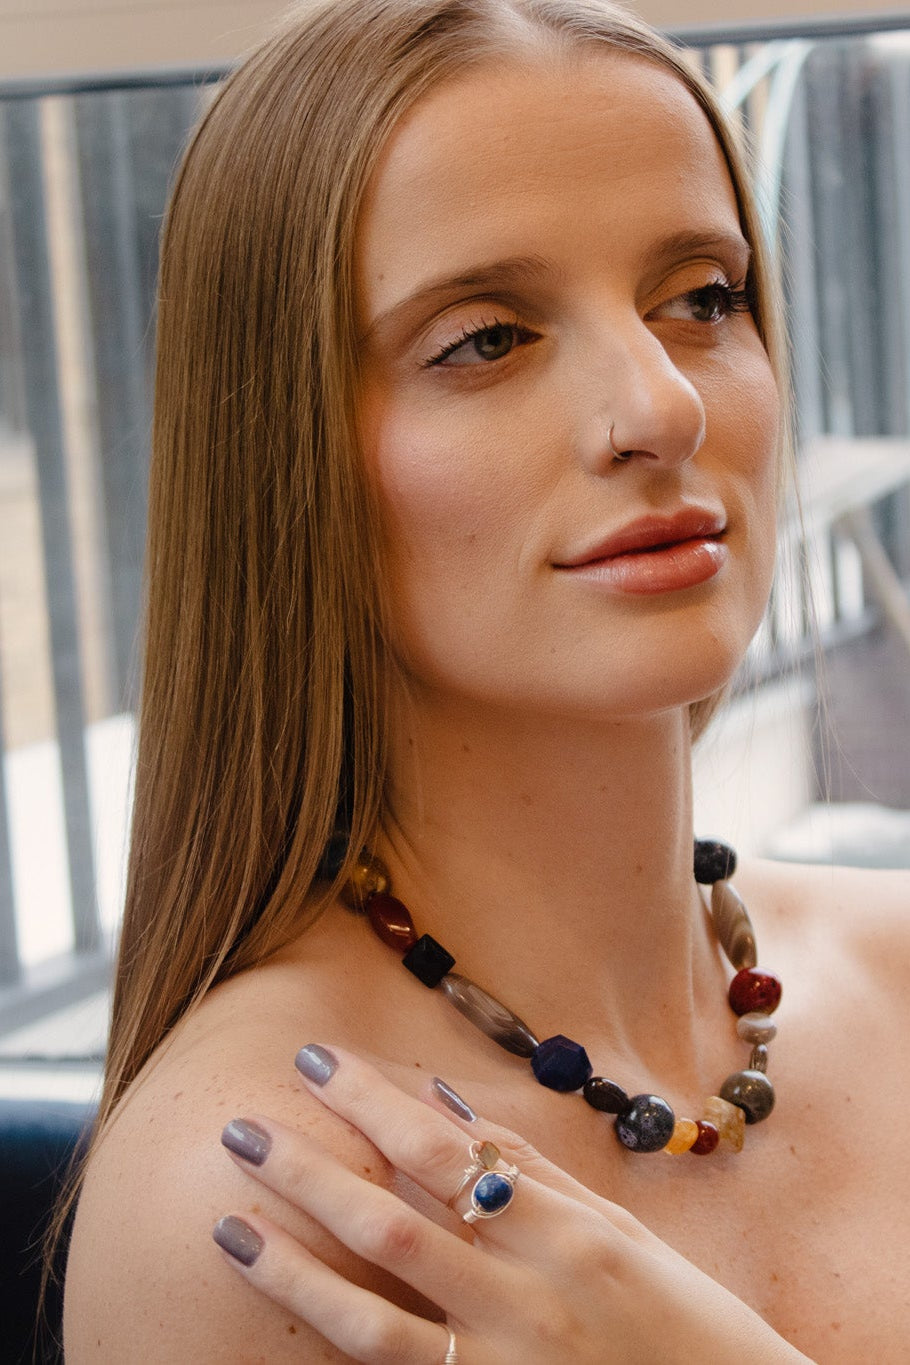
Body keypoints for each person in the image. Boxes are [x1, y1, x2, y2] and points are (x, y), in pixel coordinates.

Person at [62, 0, 910, 1359]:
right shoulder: (282, 1193)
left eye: (702, 297)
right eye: (487, 339)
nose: (664, 405)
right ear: (285, 458)